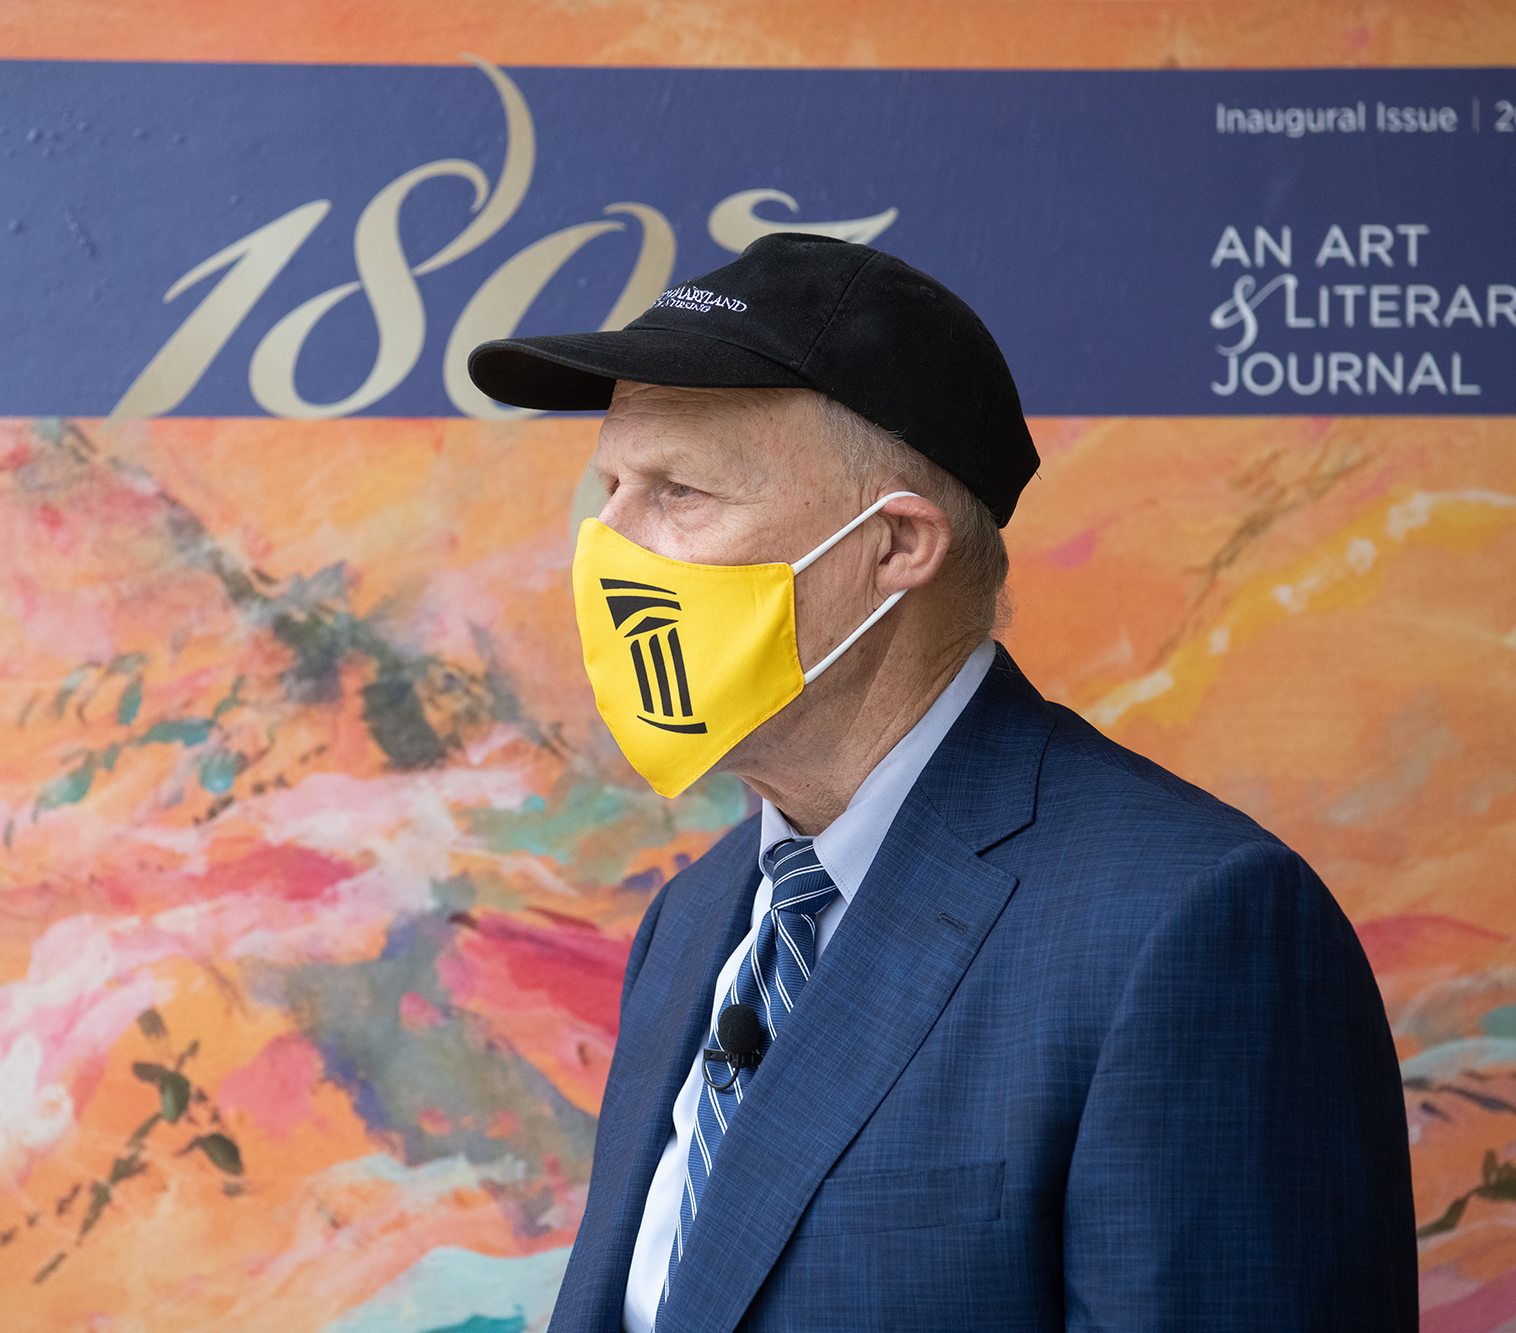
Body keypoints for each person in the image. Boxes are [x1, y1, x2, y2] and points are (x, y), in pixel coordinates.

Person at [467, 234, 1417, 1332]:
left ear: (895, 545)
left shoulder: (1194, 926)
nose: (606, 546)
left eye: (678, 490)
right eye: (611, 487)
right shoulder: (694, 917)